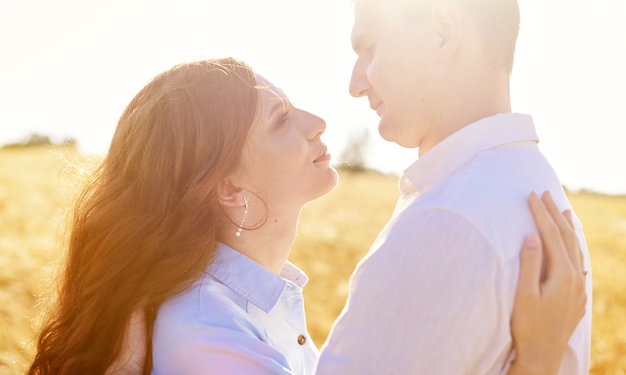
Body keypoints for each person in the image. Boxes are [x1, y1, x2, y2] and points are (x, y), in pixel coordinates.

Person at [27, 57, 584, 375]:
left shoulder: (250, 307)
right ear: (229, 189)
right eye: (279, 120)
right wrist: (537, 358)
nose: (316, 120)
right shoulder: (204, 337)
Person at [314, 0, 591, 374]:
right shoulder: (538, 190)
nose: (356, 83)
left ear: (443, 32)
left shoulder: (448, 223)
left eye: (370, 49)